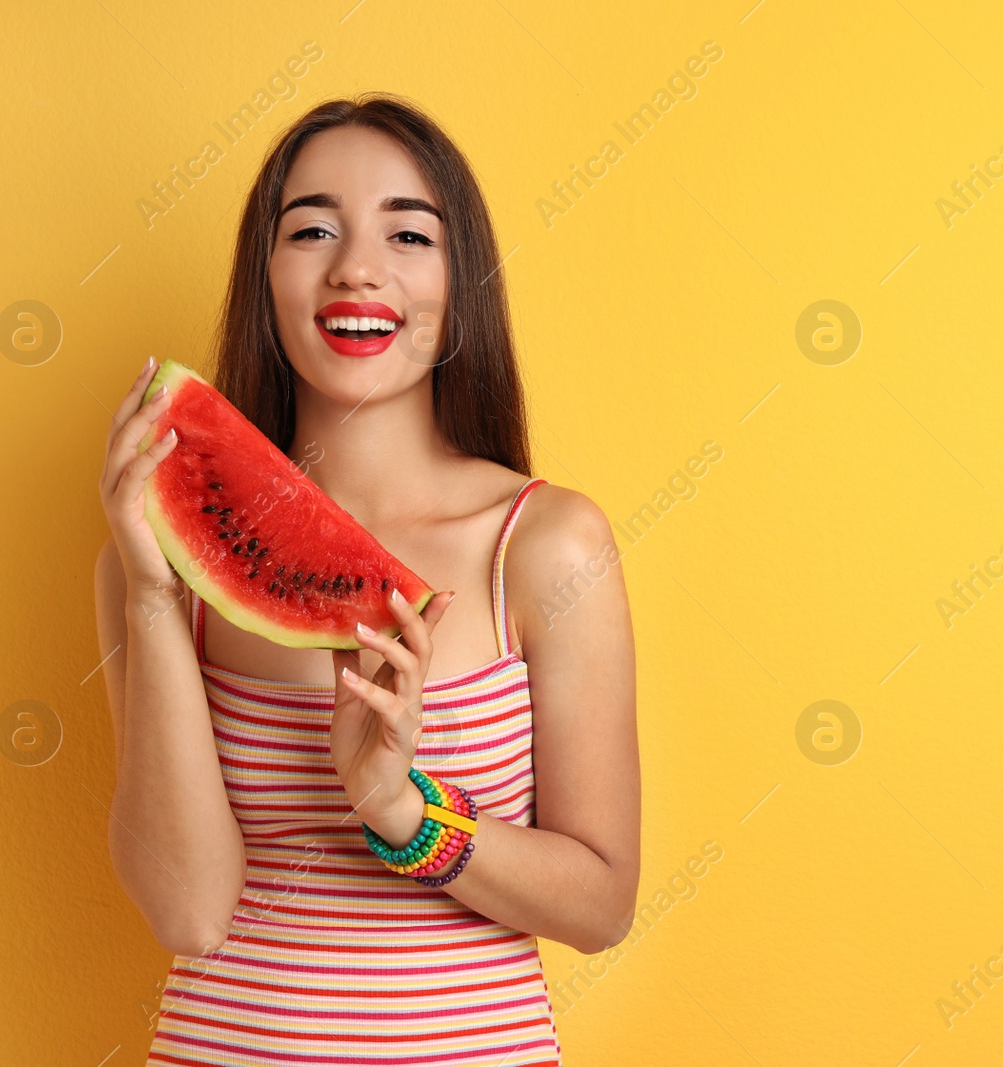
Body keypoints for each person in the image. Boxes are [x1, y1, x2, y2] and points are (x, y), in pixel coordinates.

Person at [92, 93, 639, 1066]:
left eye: (408, 232)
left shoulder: (545, 546)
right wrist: (145, 591)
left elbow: (601, 904)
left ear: (456, 281)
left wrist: (403, 808)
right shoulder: (156, 563)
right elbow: (188, 910)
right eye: (310, 228)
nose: (355, 265)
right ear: (265, 278)